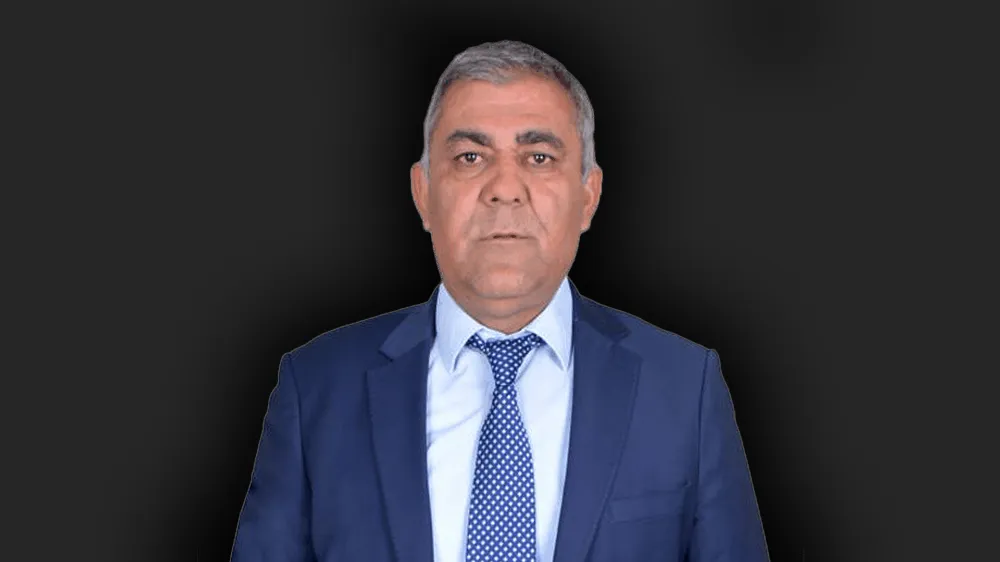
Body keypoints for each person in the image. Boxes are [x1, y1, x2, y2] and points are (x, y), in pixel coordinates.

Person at [230, 39, 769, 562]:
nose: (505, 188)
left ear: (588, 195)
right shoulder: (315, 388)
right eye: (470, 156)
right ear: (423, 193)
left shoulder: (684, 388)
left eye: (538, 156)